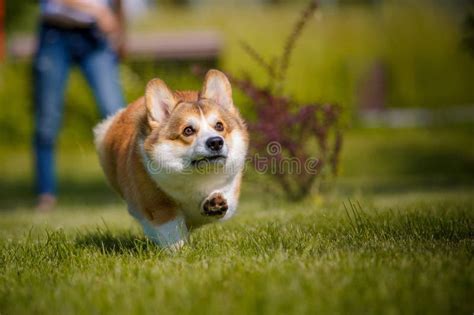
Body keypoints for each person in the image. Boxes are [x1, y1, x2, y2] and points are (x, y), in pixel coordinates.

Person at [34, 0, 126, 211]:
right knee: (47, 119)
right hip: (56, 33)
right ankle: (46, 194)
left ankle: (130, 187)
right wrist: (95, 10)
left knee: (118, 114)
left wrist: (120, 33)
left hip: (95, 37)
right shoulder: (96, 11)